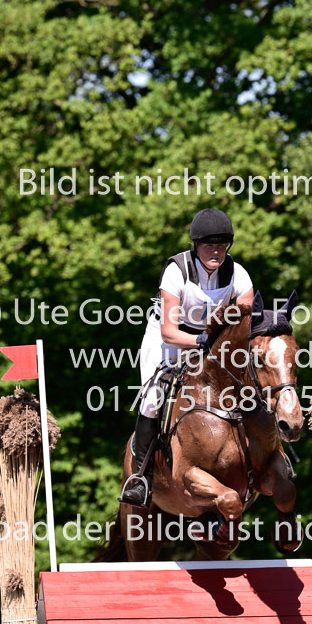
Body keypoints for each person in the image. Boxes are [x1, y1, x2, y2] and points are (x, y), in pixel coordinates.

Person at [119, 208, 254, 505]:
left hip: (212, 343)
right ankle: (141, 478)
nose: (216, 251)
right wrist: (200, 341)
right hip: (169, 340)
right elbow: (169, 332)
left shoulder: (238, 274)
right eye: (209, 245)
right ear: (196, 245)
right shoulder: (176, 271)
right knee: (154, 398)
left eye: (222, 245)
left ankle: (266, 461)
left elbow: (245, 324)